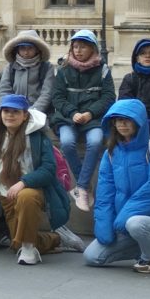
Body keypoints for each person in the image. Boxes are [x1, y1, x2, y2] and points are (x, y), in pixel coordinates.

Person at [0, 94, 82, 264]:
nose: (10, 115)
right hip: (4, 196)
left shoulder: (37, 137)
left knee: (26, 197)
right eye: (6, 111)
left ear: (25, 115)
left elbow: (48, 169)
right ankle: (55, 238)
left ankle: (29, 249)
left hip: (32, 191)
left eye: (15, 112)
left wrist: (23, 182)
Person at [83, 99, 150, 272]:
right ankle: (146, 247)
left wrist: (125, 216)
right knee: (92, 256)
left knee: (135, 224)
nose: (121, 123)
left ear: (139, 122)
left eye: (127, 119)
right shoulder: (111, 153)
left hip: (141, 221)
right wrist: (105, 227)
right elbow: (105, 192)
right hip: (124, 223)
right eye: (117, 119)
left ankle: (148, 259)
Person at [52, 30, 116, 212]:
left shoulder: (103, 70)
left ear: (92, 48)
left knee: (96, 141)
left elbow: (109, 97)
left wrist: (89, 113)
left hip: (93, 118)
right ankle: (84, 186)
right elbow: (57, 98)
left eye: (83, 47)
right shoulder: (63, 70)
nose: (78, 50)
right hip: (67, 117)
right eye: (75, 46)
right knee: (67, 142)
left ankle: (80, 187)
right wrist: (72, 113)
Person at [0, 31, 55, 116]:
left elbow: (47, 93)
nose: (26, 52)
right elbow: (4, 91)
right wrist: (7, 109)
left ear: (37, 49)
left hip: (39, 113)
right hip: (13, 111)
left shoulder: (46, 67)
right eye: (22, 48)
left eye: (30, 48)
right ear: (17, 49)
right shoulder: (10, 67)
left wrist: (33, 112)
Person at [119, 38, 150, 124]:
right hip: (135, 123)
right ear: (137, 59)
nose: (147, 56)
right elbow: (125, 104)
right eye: (142, 53)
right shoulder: (129, 78)